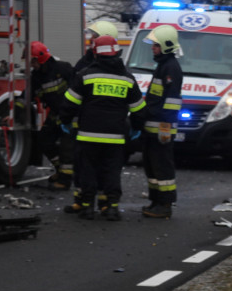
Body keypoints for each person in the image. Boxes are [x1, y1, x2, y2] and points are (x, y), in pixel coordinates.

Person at [60, 35, 146, 220]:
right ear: (117, 53)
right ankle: (112, 208)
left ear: (96, 54)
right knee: (112, 172)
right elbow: (139, 110)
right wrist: (136, 128)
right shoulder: (128, 79)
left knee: (88, 171)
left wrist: (65, 121)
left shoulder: (85, 76)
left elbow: (69, 104)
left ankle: (87, 208)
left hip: (87, 135)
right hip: (115, 137)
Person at [140, 25, 183, 219]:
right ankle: (156, 200)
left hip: (161, 128)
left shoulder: (171, 68)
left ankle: (165, 204)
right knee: (152, 166)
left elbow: (172, 102)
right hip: (152, 127)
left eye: (156, 45)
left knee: (162, 166)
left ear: (166, 46)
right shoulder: (163, 66)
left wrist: (165, 128)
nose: (153, 48)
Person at [28, 41, 76, 190]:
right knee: (44, 140)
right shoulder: (37, 76)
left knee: (66, 147)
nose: (31, 64)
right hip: (56, 114)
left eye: (33, 61)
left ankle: (65, 180)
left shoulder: (63, 68)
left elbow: (78, 89)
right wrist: (15, 109)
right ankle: (60, 170)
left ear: (41, 58)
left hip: (71, 114)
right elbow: (27, 95)